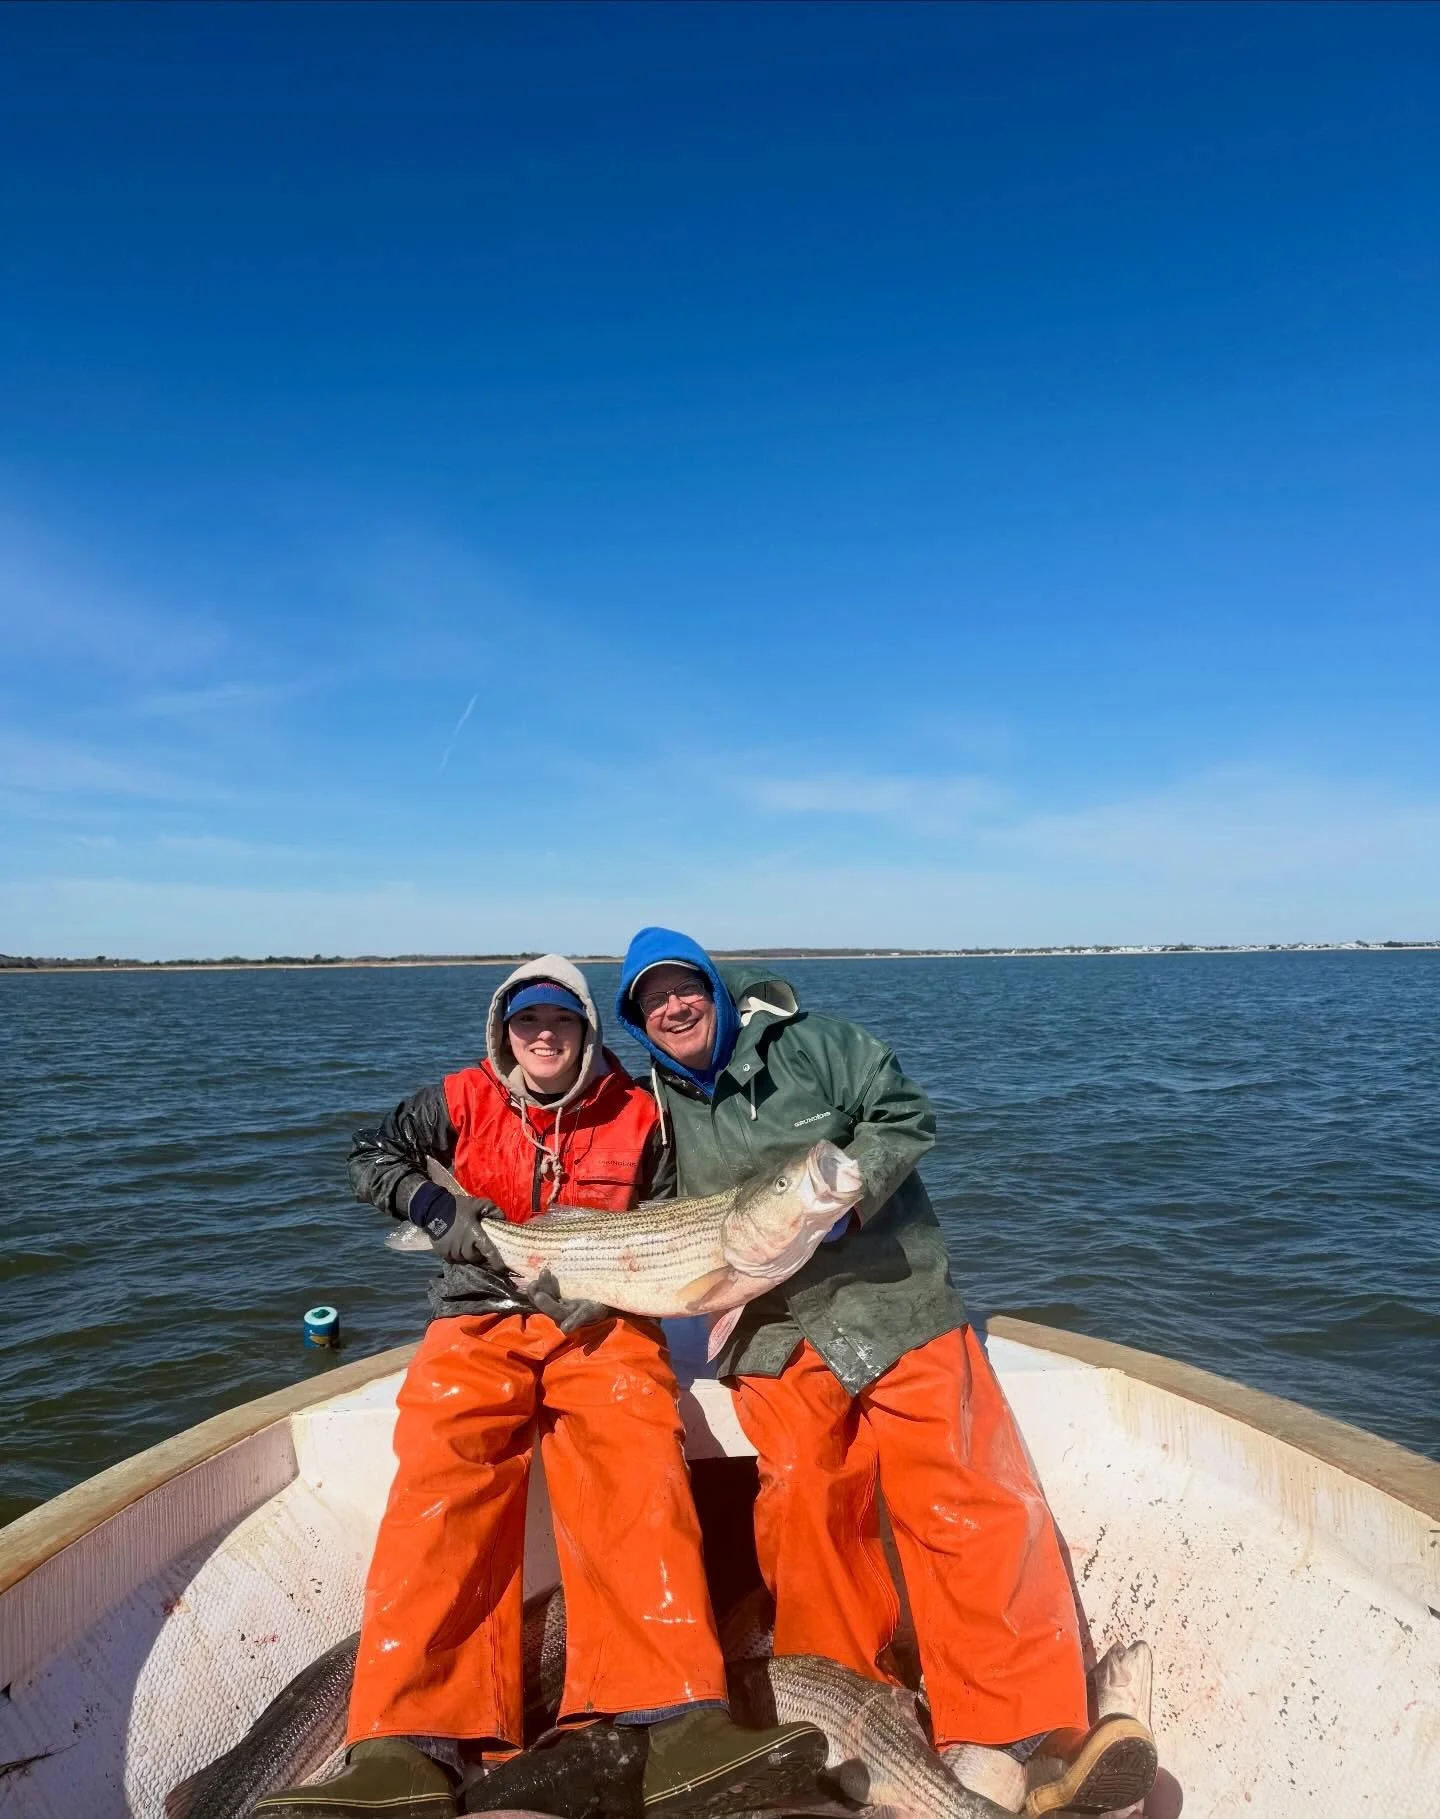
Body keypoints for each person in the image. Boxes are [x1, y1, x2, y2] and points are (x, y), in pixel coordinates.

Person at [258, 956, 824, 1819]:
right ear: (504, 1031)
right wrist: (437, 1210)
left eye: (561, 1020)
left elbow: (674, 1214)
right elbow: (369, 1155)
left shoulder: (641, 1109)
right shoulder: (458, 1098)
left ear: (586, 1031)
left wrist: (611, 1285)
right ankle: (403, 1744)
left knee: (638, 1461)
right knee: (441, 1472)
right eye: (528, 1021)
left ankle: (677, 1719)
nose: (544, 1035)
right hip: (477, 1312)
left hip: (602, 1318)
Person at [615, 931, 1158, 1819]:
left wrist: (846, 1199)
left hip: (894, 1298)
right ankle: (846, 1732)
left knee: (966, 1488)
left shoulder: (817, 1045)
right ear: (638, 1021)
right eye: (652, 999)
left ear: (712, 985)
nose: (673, 1006)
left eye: (685, 987)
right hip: (772, 1331)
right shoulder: (655, 1110)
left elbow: (903, 1113)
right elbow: (636, 1213)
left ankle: (1030, 1735)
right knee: (802, 1496)